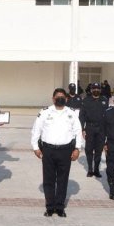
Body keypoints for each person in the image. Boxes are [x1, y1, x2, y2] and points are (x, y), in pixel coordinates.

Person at [31, 88, 83, 217]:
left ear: (66, 99)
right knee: (48, 179)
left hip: (66, 150)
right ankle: (49, 207)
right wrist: (35, 147)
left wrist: (77, 149)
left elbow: (78, 131)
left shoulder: (71, 113)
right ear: (53, 99)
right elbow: (36, 130)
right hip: (48, 150)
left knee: (62, 179)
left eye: (62, 97)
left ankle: (59, 207)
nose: (60, 98)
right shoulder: (44, 112)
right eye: (57, 96)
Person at [80, 82, 109, 178]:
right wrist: (83, 129)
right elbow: (82, 116)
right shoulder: (86, 100)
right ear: (91, 90)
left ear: (100, 90)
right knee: (89, 149)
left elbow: (108, 116)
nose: (96, 90)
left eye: (98, 88)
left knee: (98, 149)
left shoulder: (105, 100)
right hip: (90, 128)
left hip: (101, 129)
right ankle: (90, 169)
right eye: (94, 88)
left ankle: (96, 169)